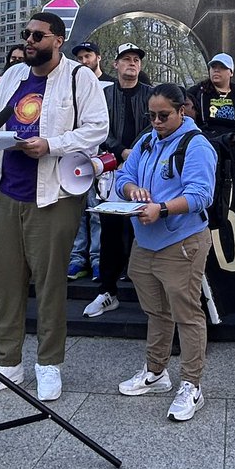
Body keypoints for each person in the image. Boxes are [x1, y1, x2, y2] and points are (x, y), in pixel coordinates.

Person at [0, 12, 109, 403]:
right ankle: (6, 362)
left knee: (48, 284)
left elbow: (98, 128)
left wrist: (50, 144)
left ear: (58, 40)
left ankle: (49, 365)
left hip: (54, 194)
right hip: (6, 190)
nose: (29, 40)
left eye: (37, 35)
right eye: (26, 34)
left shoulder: (81, 78)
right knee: (4, 281)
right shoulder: (12, 77)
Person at [114, 83, 216, 421]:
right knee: (156, 312)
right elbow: (122, 177)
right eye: (152, 115)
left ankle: (192, 385)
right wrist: (132, 190)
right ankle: (156, 373)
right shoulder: (146, 140)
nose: (156, 121)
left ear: (181, 111)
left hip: (181, 242)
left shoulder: (196, 145)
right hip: (145, 242)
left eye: (163, 116)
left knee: (187, 314)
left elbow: (201, 194)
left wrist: (162, 208)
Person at [83, 42, 153, 318]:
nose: (131, 64)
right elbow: (98, 127)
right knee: (110, 229)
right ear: (115, 64)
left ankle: (147, 293)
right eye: (126, 59)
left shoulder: (151, 94)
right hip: (111, 168)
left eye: (136, 59)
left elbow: (155, 126)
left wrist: (133, 152)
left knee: (143, 227)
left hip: (143, 170)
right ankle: (107, 291)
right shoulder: (104, 94)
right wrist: (119, 150)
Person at [68, 40, 110, 282]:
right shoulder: (71, 85)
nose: (84, 61)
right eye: (80, 57)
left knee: (96, 211)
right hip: (73, 156)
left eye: (88, 56)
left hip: (100, 157)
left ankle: (97, 259)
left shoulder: (110, 84)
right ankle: (76, 258)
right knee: (76, 211)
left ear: (98, 57)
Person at [187, 53, 235, 139]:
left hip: (233, 141)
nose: (216, 70)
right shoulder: (198, 91)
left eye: (222, 67)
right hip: (205, 139)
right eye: (213, 67)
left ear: (231, 72)